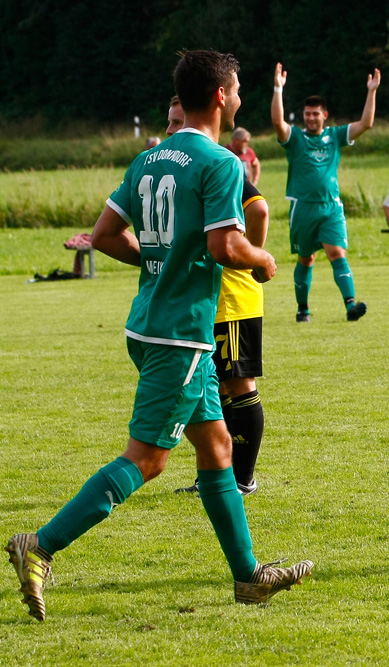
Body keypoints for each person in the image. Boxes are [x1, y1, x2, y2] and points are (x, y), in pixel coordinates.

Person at [5, 50, 312, 623]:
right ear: (221, 95)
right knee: (147, 460)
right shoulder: (219, 162)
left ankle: (248, 578)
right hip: (179, 336)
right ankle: (40, 546)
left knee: (218, 448)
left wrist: (159, 262)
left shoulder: (148, 161)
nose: (240, 93)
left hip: (151, 325)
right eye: (239, 86)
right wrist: (263, 259)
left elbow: (103, 235)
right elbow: (226, 247)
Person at [165, 97, 270, 497]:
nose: (173, 130)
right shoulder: (181, 164)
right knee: (216, 389)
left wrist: (249, 260)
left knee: (238, 384)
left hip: (231, 298)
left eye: (179, 121)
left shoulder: (217, 160)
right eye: (169, 122)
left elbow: (258, 209)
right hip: (206, 298)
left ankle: (242, 478)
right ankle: (216, 475)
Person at [272, 62, 380, 323]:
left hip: (331, 206)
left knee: (336, 253)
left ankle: (350, 305)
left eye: (315, 114)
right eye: (307, 114)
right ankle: (303, 309)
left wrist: (372, 91)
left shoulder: (335, 136)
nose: (310, 118)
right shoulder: (296, 138)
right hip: (303, 208)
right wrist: (278, 88)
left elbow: (366, 123)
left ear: (325, 115)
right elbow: (277, 121)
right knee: (306, 258)